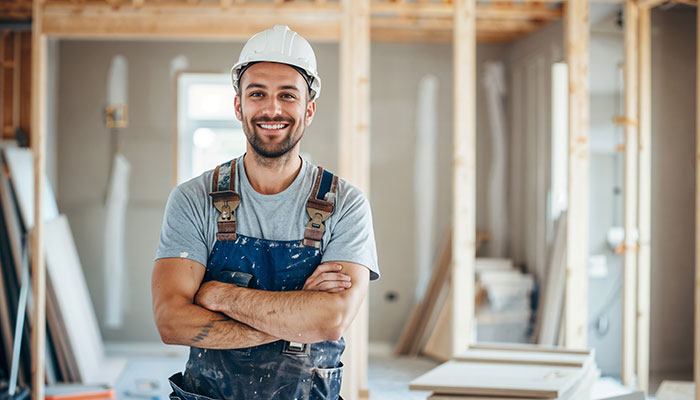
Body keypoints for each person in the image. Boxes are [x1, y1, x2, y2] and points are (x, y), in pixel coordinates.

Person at [151, 25, 380, 400]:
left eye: (287, 95)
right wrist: (296, 320)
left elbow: (331, 320)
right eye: (257, 93)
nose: (272, 109)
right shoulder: (193, 199)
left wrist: (220, 296)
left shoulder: (345, 205)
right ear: (239, 105)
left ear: (308, 110)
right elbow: (172, 322)